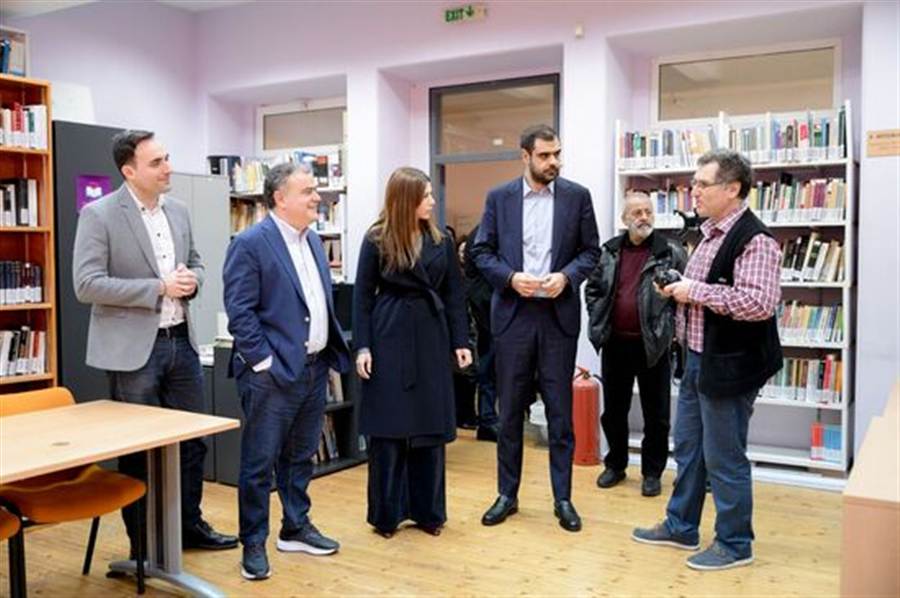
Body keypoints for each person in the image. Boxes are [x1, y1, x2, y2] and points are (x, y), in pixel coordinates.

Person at [73, 130, 237, 559]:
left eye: (167, 158)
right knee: (140, 450)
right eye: (157, 162)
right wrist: (158, 287)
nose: (168, 168)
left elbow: (197, 263)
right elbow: (86, 284)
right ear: (129, 171)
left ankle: (189, 527)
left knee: (193, 441)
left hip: (181, 341)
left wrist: (193, 281)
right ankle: (143, 547)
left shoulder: (178, 210)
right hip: (133, 352)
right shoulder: (99, 215)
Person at [632, 149, 783, 571]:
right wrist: (679, 286)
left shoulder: (756, 240)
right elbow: (709, 287)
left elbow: (758, 303)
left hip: (730, 365)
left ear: (732, 189)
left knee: (724, 456)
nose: (693, 191)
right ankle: (681, 526)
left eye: (702, 184)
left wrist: (693, 291)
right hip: (698, 358)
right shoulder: (710, 233)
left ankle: (735, 543)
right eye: (694, 183)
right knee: (689, 448)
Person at [223, 162, 351, 580]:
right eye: (307, 191)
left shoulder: (312, 239)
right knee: (259, 464)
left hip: (313, 368)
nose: (317, 197)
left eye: (315, 190)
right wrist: (264, 363)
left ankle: (295, 527)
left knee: (300, 456)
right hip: (271, 374)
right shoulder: (250, 243)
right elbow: (240, 312)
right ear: (280, 198)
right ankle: (253, 542)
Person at [473, 124, 600, 532]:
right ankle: (507, 495)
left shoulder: (577, 196)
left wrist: (567, 277)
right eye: (545, 155)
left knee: (560, 414)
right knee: (510, 412)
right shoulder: (499, 198)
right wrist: (510, 278)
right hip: (513, 317)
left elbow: (591, 252)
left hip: (557, 317)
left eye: (557, 154)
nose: (553, 162)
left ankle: (563, 499)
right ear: (525, 156)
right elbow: (481, 251)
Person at [353, 167, 472, 539]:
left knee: (429, 427)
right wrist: (363, 346)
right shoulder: (376, 239)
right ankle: (386, 515)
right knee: (388, 430)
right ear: (406, 200)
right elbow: (361, 297)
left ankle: (428, 513)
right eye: (426, 196)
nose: (433, 202)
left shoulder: (441, 240)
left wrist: (461, 341)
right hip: (388, 337)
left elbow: (455, 294)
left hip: (431, 336)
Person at [585, 190, 687, 497]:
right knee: (614, 411)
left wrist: (670, 329)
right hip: (615, 343)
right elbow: (593, 289)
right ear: (624, 218)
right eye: (637, 213)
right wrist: (598, 317)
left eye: (647, 211)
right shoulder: (609, 251)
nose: (644, 217)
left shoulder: (670, 251)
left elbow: (684, 293)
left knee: (657, 414)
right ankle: (615, 465)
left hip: (653, 344)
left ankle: (652, 472)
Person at [463, 224, 500, 441]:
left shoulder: (484, 231)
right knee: (489, 365)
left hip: (490, 307)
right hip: (488, 309)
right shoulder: (483, 233)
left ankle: (490, 419)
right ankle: (488, 420)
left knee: (492, 366)